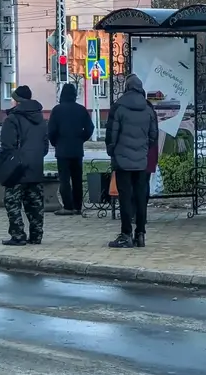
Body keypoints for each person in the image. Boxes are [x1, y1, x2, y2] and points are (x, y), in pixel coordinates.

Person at [105, 74, 158, 248]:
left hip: (122, 160)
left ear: (127, 87)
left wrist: (113, 152)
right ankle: (140, 234)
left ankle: (126, 234)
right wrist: (143, 149)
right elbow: (153, 136)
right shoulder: (148, 108)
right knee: (141, 196)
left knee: (125, 197)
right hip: (141, 160)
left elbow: (111, 135)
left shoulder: (118, 107)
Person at [0, 85, 49, 246]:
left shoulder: (12, 119)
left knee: (12, 201)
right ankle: (36, 235)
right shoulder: (40, 119)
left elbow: (7, 146)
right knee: (35, 203)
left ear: (17, 100)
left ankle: (18, 234)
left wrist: (3, 163)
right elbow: (45, 146)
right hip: (35, 166)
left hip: (17, 168)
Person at [48, 82, 94, 215]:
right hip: (77, 149)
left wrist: (56, 142)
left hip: (62, 149)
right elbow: (90, 128)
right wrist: (81, 139)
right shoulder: (81, 109)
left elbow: (51, 130)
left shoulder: (57, 110)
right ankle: (78, 206)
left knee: (64, 179)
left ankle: (68, 206)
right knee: (77, 178)